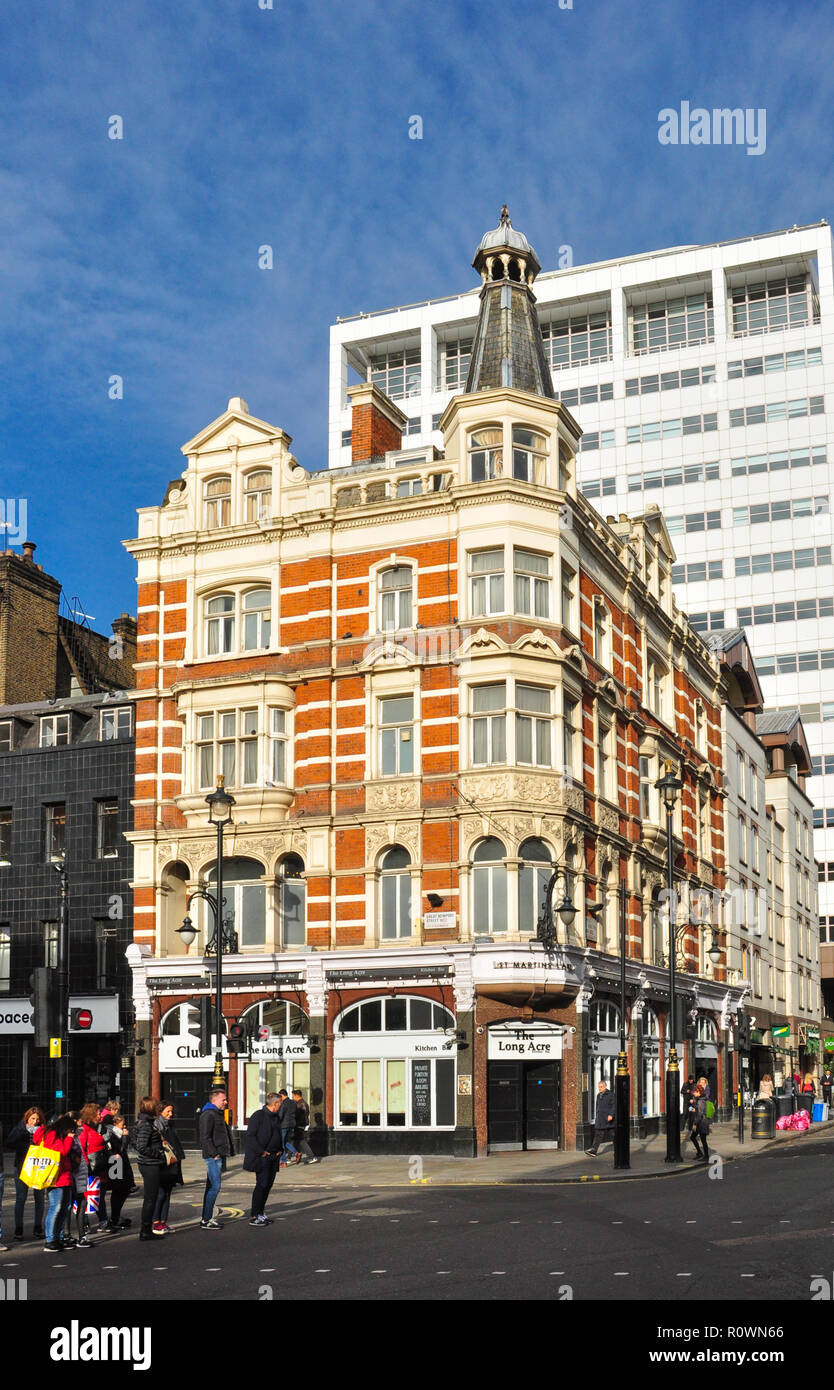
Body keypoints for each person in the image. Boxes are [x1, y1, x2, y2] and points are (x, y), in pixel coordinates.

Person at [33, 1113, 77, 1252]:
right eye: (71, 1130)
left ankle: (57, 1238)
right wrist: (69, 1139)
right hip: (55, 1177)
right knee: (56, 1207)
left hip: (64, 1175)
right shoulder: (52, 1134)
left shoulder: (57, 1134)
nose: (72, 1133)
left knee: (65, 1207)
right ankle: (50, 1239)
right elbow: (61, 1151)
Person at [6, 1106, 46, 1242]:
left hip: (39, 1167)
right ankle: (19, 1229)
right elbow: (9, 1143)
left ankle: (38, 1227)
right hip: (22, 1166)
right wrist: (22, 1141)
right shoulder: (20, 1129)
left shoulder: (43, 1130)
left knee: (39, 1198)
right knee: (21, 1198)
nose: (35, 1121)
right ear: (27, 1118)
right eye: (32, 1118)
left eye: (37, 1119)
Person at [244, 1093, 283, 1225]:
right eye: (280, 1104)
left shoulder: (276, 1117)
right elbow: (250, 1136)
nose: (281, 1106)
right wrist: (261, 1152)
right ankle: (255, 1215)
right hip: (263, 1157)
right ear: (275, 1103)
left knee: (268, 1185)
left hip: (274, 1156)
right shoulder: (258, 1116)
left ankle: (261, 1213)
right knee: (262, 1185)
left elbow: (277, 1135)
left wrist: (280, 1149)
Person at [72, 1103, 106, 1247]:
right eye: (98, 1113)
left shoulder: (92, 1128)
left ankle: (90, 1225)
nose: (100, 1115)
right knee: (83, 1200)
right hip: (86, 1169)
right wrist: (85, 1168)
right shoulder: (83, 1130)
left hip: (94, 1168)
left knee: (91, 1198)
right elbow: (81, 1151)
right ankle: (82, 1230)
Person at [199, 1086, 233, 1229]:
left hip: (218, 1156)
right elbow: (205, 1137)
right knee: (215, 1187)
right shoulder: (208, 1114)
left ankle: (206, 1218)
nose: (226, 1102)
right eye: (223, 1099)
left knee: (211, 1187)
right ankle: (206, 1220)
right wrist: (214, 1154)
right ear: (215, 1099)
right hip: (213, 1157)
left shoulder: (216, 1113)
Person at [133, 1096, 166, 1241]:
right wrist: (158, 1153)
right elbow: (141, 1146)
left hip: (150, 1163)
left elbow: (135, 1142)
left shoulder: (145, 1122)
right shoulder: (146, 1124)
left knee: (151, 1198)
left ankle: (146, 1229)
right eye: (156, 1106)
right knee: (150, 1199)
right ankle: (145, 1231)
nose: (158, 1108)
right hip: (150, 1165)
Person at [153, 1103, 185, 1234]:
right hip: (162, 1164)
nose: (171, 1114)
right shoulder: (157, 1125)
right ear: (160, 1111)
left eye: (171, 1111)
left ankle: (163, 1222)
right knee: (160, 1194)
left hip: (172, 1163)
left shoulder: (169, 1125)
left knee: (167, 1194)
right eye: (168, 1111)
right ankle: (156, 1223)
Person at [100, 1111, 133, 1231]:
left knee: (122, 1190)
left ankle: (116, 1216)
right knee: (118, 1190)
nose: (124, 1126)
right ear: (115, 1123)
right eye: (122, 1123)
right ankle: (115, 1217)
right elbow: (121, 1149)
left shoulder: (117, 1132)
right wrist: (125, 1137)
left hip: (119, 1163)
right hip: (115, 1163)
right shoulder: (112, 1133)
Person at [585, 1080, 615, 1157]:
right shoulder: (598, 1095)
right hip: (600, 1118)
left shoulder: (611, 1095)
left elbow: (614, 1106)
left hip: (608, 1118)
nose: (600, 1088)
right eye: (599, 1087)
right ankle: (593, 1151)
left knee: (613, 1135)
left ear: (605, 1086)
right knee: (598, 1134)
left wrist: (611, 1115)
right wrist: (597, 1116)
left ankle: (618, 1150)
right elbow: (597, 1106)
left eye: (601, 1087)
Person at [292, 1089, 318, 1164]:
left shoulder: (300, 1104)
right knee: (297, 1141)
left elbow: (301, 1115)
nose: (292, 1098)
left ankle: (312, 1156)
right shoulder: (302, 1103)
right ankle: (298, 1155)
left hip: (300, 1124)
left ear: (297, 1096)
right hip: (301, 1124)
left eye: (293, 1096)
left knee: (301, 1141)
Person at [688, 1083, 712, 1162]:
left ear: (699, 1092)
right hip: (700, 1122)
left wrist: (695, 1123)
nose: (694, 1093)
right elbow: (696, 1109)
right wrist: (691, 1108)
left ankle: (706, 1156)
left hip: (702, 1123)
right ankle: (700, 1153)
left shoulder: (701, 1101)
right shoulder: (698, 1099)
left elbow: (700, 1114)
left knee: (703, 1140)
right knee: (693, 1137)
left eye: (695, 1091)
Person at [276, 1089, 299, 1165]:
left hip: (283, 1126)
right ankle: (296, 1153)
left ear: (282, 1095)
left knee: (280, 1144)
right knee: (286, 1142)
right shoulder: (293, 1102)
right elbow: (296, 1113)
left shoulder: (283, 1104)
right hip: (292, 1125)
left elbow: (280, 1115)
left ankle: (283, 1161)